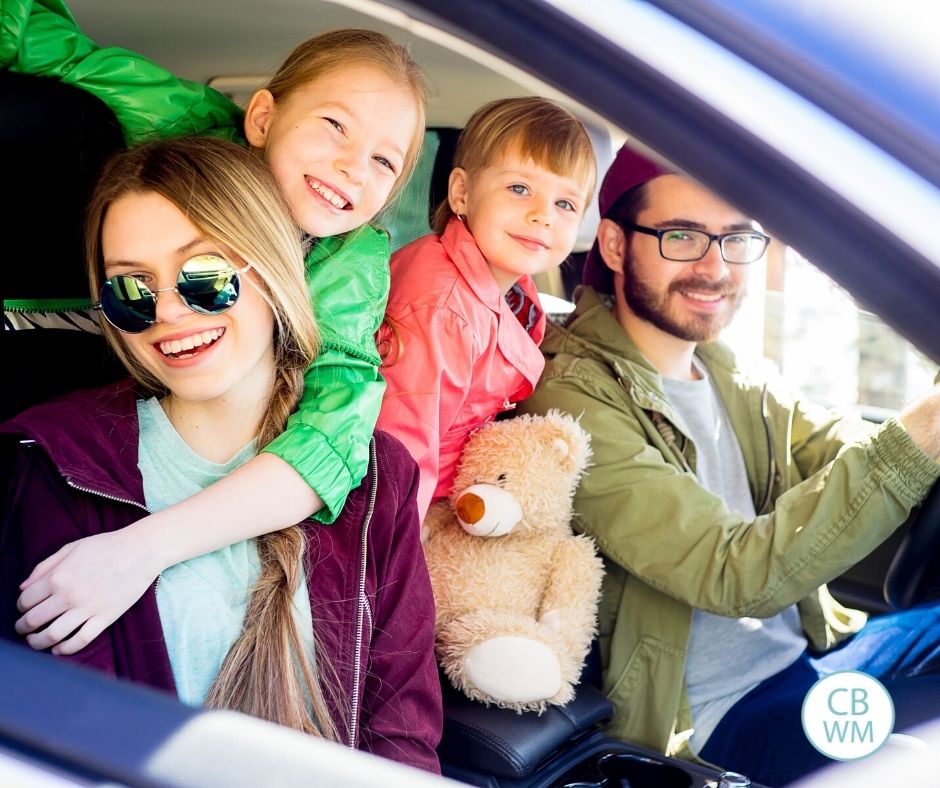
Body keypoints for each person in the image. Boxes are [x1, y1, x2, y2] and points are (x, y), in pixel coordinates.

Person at [0, 136, 442, 772]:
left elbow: (400, 737)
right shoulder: (50, 466)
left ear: (273, 269)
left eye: (203, 276)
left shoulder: (379, 479)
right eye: (131, 290)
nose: (169, 312)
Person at [3, 1, 426, 656]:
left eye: (384, 161)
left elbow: (332, 434)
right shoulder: (183, 123)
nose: (352, 165)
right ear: (262, 118)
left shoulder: (352, 265)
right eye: (335, 126)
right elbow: (46, 40)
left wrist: (145, 548)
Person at [518, 144, 940, 785]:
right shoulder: (573, 397)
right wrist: (922, 434)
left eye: (738, 239)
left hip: (812, 656)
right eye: (682, 236)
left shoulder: (720, 364)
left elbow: (836, 442)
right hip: (717, 725)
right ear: (612, 243)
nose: (715, 268)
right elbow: (733, 569)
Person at [375, 96, 596, 520]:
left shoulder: (515, 290)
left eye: (565, 204)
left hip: (452, 491)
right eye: (520, 189)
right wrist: (406, 568)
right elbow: (398, 453)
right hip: (405, 513)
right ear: (462, 192)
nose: (542, 215)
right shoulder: (444, 309)